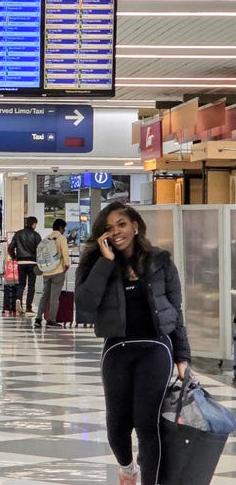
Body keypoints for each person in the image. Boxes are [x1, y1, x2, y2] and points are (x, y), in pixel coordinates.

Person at [75, 202, 190, 485]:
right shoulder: (94, 262)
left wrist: (183, 357)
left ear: (136, 225)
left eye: (122, 224)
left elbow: (175, 310)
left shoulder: (159, 260)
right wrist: (106, 261)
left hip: (156, 348)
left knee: (147, 423)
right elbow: (85, 304)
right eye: (109, 228)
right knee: (117, 426)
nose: (116, 232)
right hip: (117, 349)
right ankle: (128, 468)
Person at [34, 218, 70, 328]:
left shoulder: (46, 238)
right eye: (64, 228)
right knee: (54, 297)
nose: (64, 230)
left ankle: (38, 319)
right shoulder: (61, 238)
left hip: (46, 272)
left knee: (44, 295)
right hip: (58, 271)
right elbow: (65, 252)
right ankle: (51, 320)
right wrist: (66, 265)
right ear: (60, 228)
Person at [7, 216, 41, 316]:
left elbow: (10, 248)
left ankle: (18, 299)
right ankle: (29, 308)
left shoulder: (18, 234)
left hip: (21, 262)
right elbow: (40, 250)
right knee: (31, 286)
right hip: (32, 263)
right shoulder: (36, 235)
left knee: (21, 284)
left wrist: (15, 257)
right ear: (34, 224)